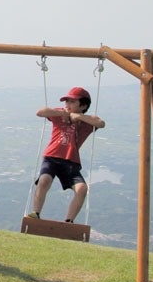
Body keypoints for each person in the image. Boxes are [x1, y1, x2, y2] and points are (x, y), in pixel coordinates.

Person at [29, 86, 105, 222]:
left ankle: (69, 220)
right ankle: (36, 212)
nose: (67, 105)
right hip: (52, 157)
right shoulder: (59, 114)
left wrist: (78, 116)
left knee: (81, 189)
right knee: (44, 180)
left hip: (71, 161)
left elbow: (100, 123)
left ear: (83, 105)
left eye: (72, 102)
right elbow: (40, 112)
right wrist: (61, 114)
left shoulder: (86, 121)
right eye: (66, 102)